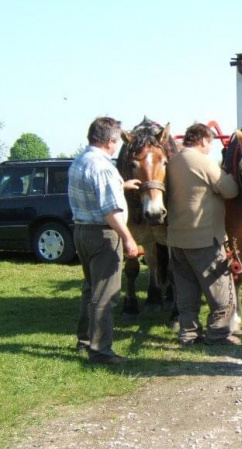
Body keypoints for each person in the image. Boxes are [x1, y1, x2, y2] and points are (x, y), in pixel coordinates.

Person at [69, 117, 141, 365]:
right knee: (105, 295)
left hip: (82, 231)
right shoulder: (104, 167)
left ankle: (85, 340)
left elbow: (96, 193)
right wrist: (128, 238)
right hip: (104, 235)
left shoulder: (80, 161)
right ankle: (100, 351)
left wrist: (122, 186)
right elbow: (110, 210)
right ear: (110, 141)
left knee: (90, 289)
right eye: (117, 140)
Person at [167, 123, 240, 346]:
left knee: (186, 292)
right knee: (221, 291)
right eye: (210, 144)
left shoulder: (173, 161)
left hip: (177, 239)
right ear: (204, 141)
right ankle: (218, 334)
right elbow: (230, 190)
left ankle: (188, 335)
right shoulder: (203, 161)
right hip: (204, 238)